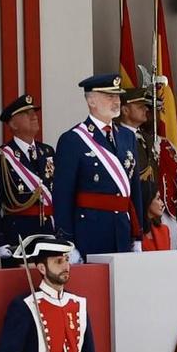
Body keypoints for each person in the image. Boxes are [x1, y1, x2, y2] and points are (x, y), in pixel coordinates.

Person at [52, 72, 143, 260]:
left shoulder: (127, 137)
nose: (116, 101)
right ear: (92, 101)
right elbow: (62, 195)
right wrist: (67, 242)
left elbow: (134, 188)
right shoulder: (73, 140)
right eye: (110, 96)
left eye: (117, 96)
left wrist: (138, 234)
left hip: (122, 229)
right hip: (90, 231)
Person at [0, 94, 55, 262]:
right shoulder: (2, 157)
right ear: (12, 124)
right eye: (26, 114)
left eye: (34, 112)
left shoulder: (47, 152)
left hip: (49, 230)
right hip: (19, 234)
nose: (33, 116)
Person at [117, 81, 159, 217]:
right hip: (131, 208)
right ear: (125, 110)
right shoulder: (115, 137)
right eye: (140, 106)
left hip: (151, 210)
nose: (146, 109)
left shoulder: (148, 138)